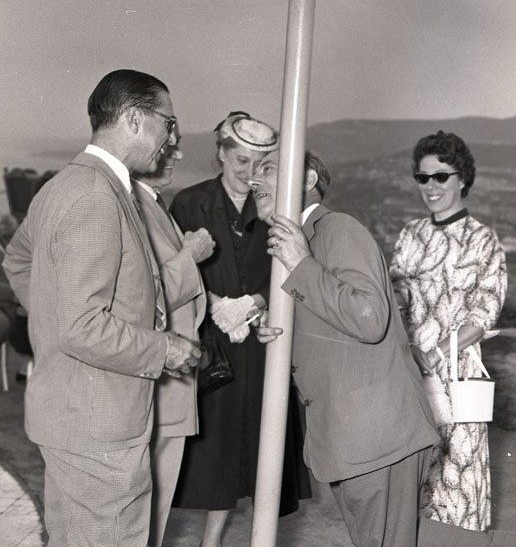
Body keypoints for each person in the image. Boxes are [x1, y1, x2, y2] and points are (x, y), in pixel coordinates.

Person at [251, 148, 516, 547]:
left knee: (383, 538)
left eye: (267, 168)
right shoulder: (303, 244)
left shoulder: (336, 229)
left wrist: (301, 265)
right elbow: (338, 318)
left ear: (307, 179)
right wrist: (280, 331)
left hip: (374, 429)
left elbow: (369, 317)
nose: (254, 179)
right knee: (391, 534)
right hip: (349, 429)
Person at [2, 69, 202, 546]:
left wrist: (51, 323)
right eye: (168, 123)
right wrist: (166, 348)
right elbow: (82, 326)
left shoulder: (65, 185)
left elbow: (18, 259)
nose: (171, 138)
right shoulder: (97, 196)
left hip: (74, 417)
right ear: (134, 119)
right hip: (101, 428)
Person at [170, 111, 310, 547]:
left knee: (260, 446)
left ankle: (244, 538)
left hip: (261, 342)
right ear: (221, 154)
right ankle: (210, 540)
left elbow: (291, 265)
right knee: (217, 450)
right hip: (211, 342)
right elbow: (173, 269)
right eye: (240, 161)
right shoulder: (188, 203)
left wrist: (256, 303)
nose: (250, 173)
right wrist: (215, 305)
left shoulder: (275, 205)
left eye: (259, 164)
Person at [389, 130, 507, 532]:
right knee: (412, 474)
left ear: (463, 179)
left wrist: (436, 352)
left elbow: (484, 314)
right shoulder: (410, 235)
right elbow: (395, 300)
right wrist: (408, 351)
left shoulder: (482, 240)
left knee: (459, 476)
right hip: (409, 371)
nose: (431, 186)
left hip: (457, 375)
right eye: (423, 177)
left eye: (441, 176)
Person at [131, 121, 215, 547]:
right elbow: (144, 293)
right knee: (147, 512)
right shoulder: (134, 206)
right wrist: (190, 255)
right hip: (158, 385)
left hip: (171, 385)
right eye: (168, 147)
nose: (177, 155)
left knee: (156, 511)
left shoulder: (154, 203)